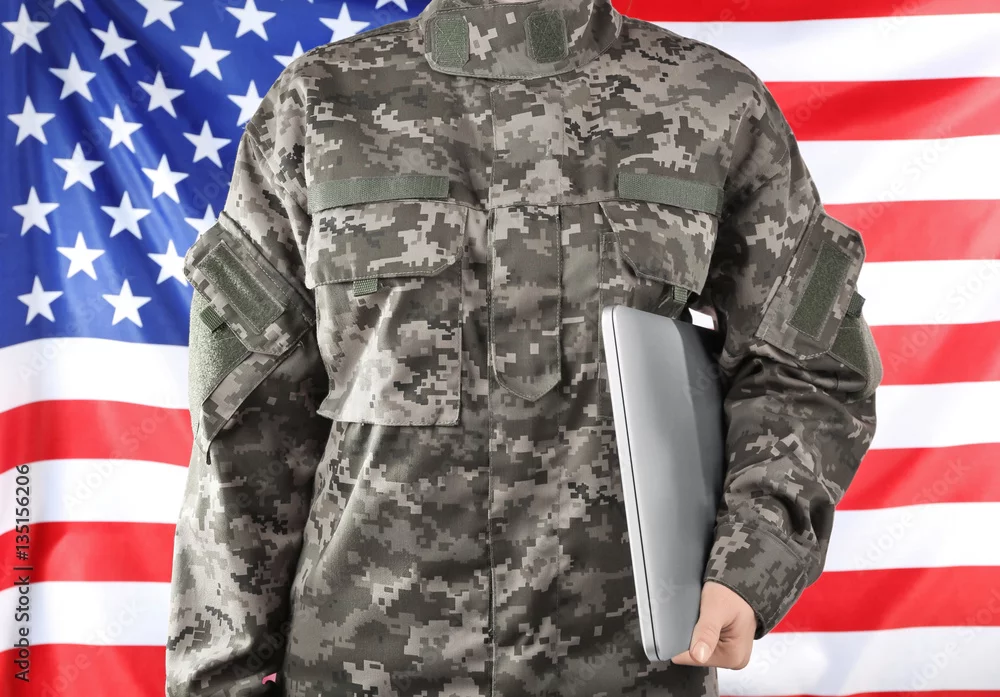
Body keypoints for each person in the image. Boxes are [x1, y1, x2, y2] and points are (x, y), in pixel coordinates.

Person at [165, 0, 883, 694]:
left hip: (628, 667)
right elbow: (245, 420)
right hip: (360, 661)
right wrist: (219, 674)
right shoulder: (319, 104)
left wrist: (751, 560)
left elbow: (811, 363)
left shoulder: (714, 102)